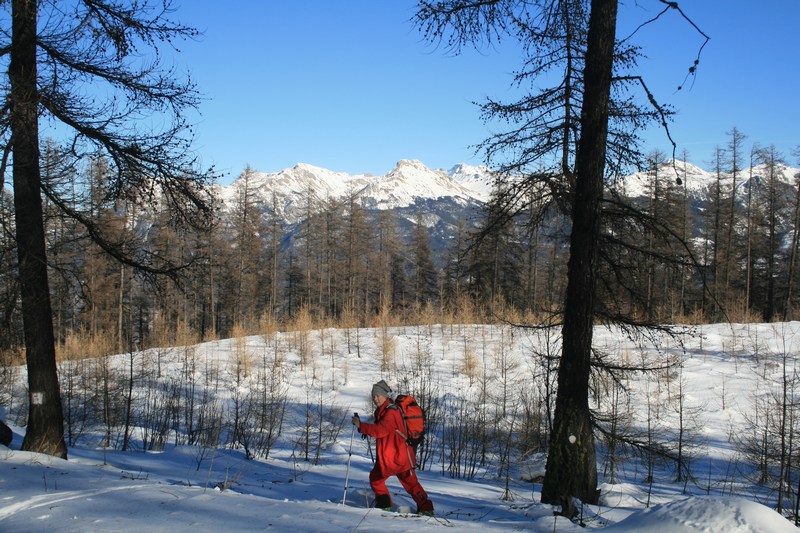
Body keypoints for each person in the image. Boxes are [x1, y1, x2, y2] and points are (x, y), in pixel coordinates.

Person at [352, 380, 434, 515]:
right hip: (402, 456)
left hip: (393, 457)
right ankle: (426, 508)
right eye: (373, 396)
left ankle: (384, 506)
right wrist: (366, 429)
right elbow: (384, 429)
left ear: (385, 396)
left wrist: (362, 426)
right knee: (411, 484)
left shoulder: (390, 412)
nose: (375, 398)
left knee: (376, 479)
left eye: (378, 395)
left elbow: (381, 430)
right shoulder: (384, 410)